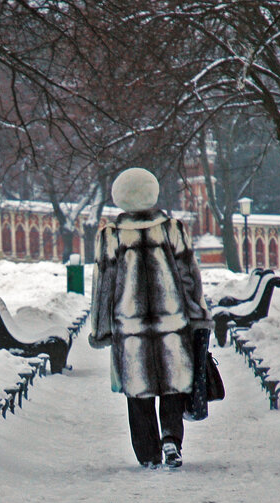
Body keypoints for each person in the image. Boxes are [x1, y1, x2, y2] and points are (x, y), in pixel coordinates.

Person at [89, 167, 213, 469]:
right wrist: (198, 315)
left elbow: (103, 286)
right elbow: (189, 276)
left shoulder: (111, 235)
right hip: (172, 325)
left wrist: (101, 329)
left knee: (138, 393)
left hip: (129, 329)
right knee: (173, 386)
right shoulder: (173, 228)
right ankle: (171, 439)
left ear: (119, 198)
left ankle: (148, 455)